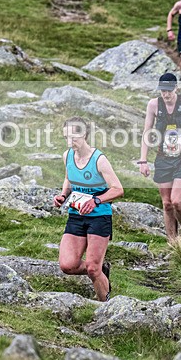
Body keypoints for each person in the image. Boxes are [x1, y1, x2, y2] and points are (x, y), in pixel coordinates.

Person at [54, 117, 123, 302]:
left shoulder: (99, 160)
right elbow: (69, 178)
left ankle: (105, 307)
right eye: (66, 138)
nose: (70, 142)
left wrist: (96, 201)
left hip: (99, 217)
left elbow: (118, 189)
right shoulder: (67, 155)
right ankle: (101, 270)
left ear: (84, 134)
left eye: (73, 137)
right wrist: (63, 195)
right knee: (67, 266)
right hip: (76, 216)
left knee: (93, 269)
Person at [138, 73, 181, 241]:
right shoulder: (153, 105)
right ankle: (172, 242)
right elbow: (147, 132)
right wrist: (143, 160)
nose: (166, 95)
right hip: (163, 158)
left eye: (169, 91)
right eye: (163, 91)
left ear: (176, 88)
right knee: (167, 204)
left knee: (176, 201)